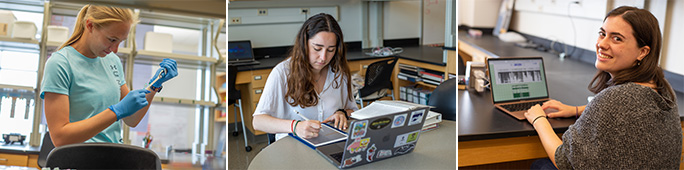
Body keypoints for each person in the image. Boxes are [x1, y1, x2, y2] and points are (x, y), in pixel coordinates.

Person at [525, 6, 681, 169]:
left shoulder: (615, 99)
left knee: (540, 165)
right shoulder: (662, 87)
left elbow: (564, 161)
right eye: (602, 34)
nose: (602, 44)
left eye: (617, 39)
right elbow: (630, 111)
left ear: (642, 52)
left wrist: (539, 120)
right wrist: (578, 110)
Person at [41, 5, 178, 147]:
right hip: (77, 159)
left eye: (120, 42)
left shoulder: (111, 60)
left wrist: (154, 85)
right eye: (112, 40)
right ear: (90, 25)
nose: (115, 50)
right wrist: (116, 112)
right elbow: (60, 138)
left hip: (111, 156)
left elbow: (132, 119)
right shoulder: (60, 63)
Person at [252, 13, 358, 141]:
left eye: (331, 50)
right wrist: (295, 126)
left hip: (330, 142)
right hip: (293, 147)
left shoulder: (339, 73)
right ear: (304, 44)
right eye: (317, 48)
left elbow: (353, 111)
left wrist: (342, 113)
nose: (323, 57)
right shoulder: (283, 73)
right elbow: (258, 121)